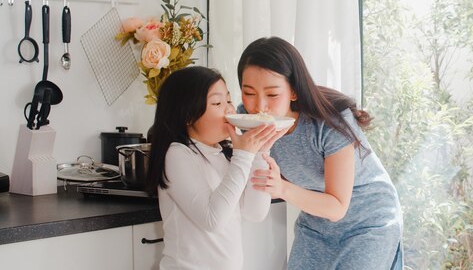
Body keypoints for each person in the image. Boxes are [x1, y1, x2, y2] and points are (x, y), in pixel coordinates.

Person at [237, 37, 404, 270]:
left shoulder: (330, 122)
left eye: (272, 95)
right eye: (249, 93)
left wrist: (281, 187)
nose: (259, 106)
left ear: (294, 91)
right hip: (317, 219)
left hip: (369, 221)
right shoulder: (245, 119)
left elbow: (337, 206)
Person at [145, 66, 285, 270]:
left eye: (228, 100)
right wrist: (244, 155)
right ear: (188, 115)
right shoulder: (177, 154)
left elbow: (255, 212)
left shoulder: (222, 154)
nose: (230, 109)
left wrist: (259, 154)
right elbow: (212, 220)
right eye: (218, 103)